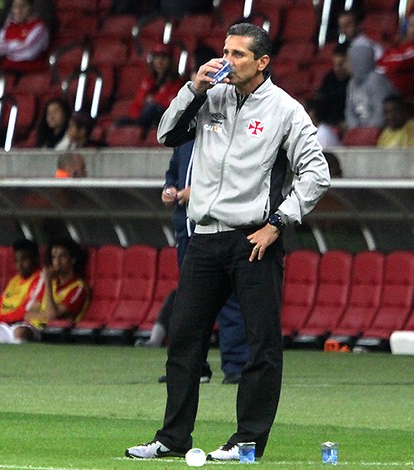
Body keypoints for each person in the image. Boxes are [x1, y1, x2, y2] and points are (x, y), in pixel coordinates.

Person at [125, 22, 330, 461]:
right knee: (184, 341)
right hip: (204, 235)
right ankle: (172, 437)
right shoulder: (210, 96)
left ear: (263, 62)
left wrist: (279, 221)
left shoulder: (285, 110)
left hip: (253, 239)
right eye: (225, 51)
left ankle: (248, 440)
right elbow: (166, 134)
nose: (228, 61)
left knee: (261, 345)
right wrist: (193, 87)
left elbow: (317, 173)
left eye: (239, 54)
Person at [144, 138, 249, 385]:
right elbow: (173, 170)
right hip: (188, 233)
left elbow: (234, 174)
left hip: (219, 229)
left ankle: (237, 366)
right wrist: (169, 188)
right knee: (189, 304)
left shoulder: (225, 133)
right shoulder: (185, 137)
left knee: (228, 301)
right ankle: (193, 367)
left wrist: (199, 191)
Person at [15, 238, 89, 342]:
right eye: (54, 257)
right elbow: (28, 314)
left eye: (62, 256)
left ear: (73, 259)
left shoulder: (77, 288)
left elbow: (52, 316)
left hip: (53, 332)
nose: (57, 261)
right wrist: (44, 315)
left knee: (20, 332)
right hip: (32, 326)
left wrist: (48, 284)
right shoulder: (53, 284)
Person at [117, 43, 184, 131]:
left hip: (162, 120)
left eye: (163, 58)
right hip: (142, 119)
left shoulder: (177, 83)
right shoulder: (148, 81)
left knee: (152, 108)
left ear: (170, 61)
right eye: (156, 57)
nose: (160, 62)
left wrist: (152, 101)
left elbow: (169, 107)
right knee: (120, 122)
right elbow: (136, 104)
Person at [375, 8, 414, 97]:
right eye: (411, 25)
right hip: (384, 83)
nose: (413, 30)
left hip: (399, 93)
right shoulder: (404, 44)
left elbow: (398, 65)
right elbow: (383, 58)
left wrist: (378, 70)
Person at [0, 0, 50, 74]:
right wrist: (16, 44)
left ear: (31, 7)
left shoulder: (40, 27)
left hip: (29, 74)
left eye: (23, 6)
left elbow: (28, 52)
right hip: (4, 73)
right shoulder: (10, 25)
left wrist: (4, 48)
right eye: (15, 7)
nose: (18, 10)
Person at [345, 43, 397, 129]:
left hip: (376, 133)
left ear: (358, 60)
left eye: (349, 60)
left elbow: (381, 113)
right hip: (359, 132)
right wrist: (354, 128)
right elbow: (349, 112)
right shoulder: (351, 84)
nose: (346, 64)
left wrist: (366, 132)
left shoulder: (376, 80)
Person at [314, 42, 350, 127]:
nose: (337, 68)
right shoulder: (329, 78)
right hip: (327, 122)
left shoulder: (354, 81)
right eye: (335, 64)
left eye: (341, 64)